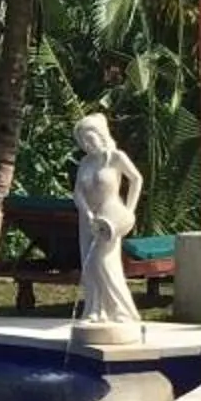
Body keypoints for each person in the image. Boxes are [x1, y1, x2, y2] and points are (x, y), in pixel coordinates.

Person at [70, 112, 144, 330]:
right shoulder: (85, 162)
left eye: (89, 138)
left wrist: (129, 210)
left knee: (104, 261)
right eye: (82, 140)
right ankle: (95, 309)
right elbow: (78, 193)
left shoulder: (116, 157)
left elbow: (136, 179)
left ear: (100, 135)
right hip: (88, 218)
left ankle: (122, 311)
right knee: (89, 265)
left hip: (110, 214)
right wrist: (87, 213)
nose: (86, 144)